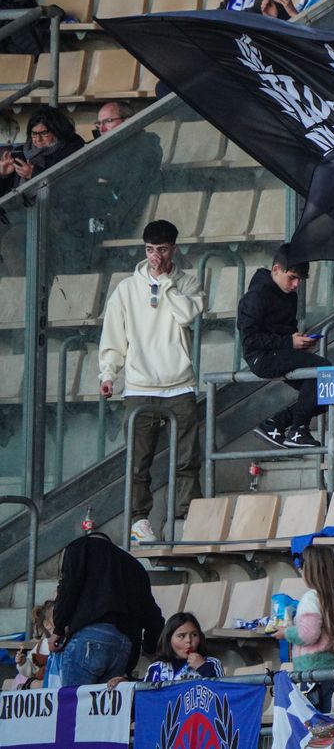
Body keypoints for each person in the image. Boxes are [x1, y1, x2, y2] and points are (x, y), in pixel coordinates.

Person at [96, 218, 205, 545]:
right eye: (150, 249)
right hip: (141, 387)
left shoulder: (188, 283)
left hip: (180, 383)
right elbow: (113, 337)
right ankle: (139, 520)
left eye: (162, 249)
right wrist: (108, 374)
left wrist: (164, 284)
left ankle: (188, 517)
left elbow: (186, 315)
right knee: (138, 461)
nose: (155, 255)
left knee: (187, 459)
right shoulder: (127, 289)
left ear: (174, 249)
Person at [240, 247, 330, 449]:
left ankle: (277, 423)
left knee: (330, 387)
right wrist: (289, 342)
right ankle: (297, 430)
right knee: (325, 372)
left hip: (280, 351)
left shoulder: (289, 295)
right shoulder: (256, 296)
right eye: (292, 278)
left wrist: (300, 341)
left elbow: (286, 329)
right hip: (261, 356)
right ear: (276, 270)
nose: (296, 284)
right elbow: (249, 339)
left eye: (300, 280)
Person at [51, 532, 162, 686]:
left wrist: (58, 628)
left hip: (88, 636)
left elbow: (68, 589)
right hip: (124, 645)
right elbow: (153, 615)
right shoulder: (134, 564)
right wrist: (149, 646)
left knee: (74, 705)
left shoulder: (80, 547)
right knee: (104, 709)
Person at [276, 547, 334, 711]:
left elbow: (308, 635)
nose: (299, 569)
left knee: (312, 726)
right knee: (323, 720)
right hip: (331, 671)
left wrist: (286, 632)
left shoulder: (311, 598)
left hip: (310, 673)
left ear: (310, 570)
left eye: (302, 565)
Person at [140, 613, 223, 684]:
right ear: (169, 639)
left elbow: (222, 691)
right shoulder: (157, 668)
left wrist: (203, 667)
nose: (189, 641)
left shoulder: (212, 663)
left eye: (194, 635)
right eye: (181, 636)